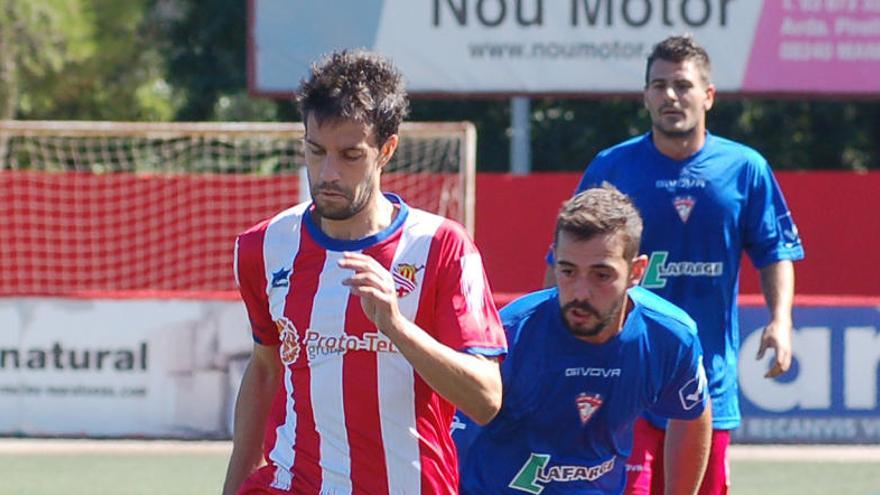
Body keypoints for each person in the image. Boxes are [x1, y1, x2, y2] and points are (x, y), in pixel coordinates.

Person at [222, 50, 507, 495]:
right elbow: (264, 370)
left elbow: (487, 399)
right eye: (316, 151)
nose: (328, 173)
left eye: (350, 155)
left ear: (387, 150)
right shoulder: (263, 247)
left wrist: (396, 326)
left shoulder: (441, 247)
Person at [544, 35, 805, 494]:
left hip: (709, 377)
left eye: (682, 85)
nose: (670, 95)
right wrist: (557, 342)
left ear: (708, 95)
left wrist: (780, 321)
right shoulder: (614, 166)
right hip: (624, 378)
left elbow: (775, 251)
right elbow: (564, 262)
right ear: (645, 95)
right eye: (658, 85)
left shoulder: (745, 168)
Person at [456, 185, 712, 495]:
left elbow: (692, 414)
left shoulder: (670, 336)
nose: (580, 292)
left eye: (601, 275)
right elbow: (452, 430)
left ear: (637, 271)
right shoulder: (510, 333)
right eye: (568, 271)